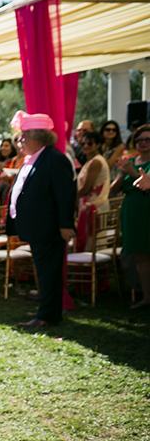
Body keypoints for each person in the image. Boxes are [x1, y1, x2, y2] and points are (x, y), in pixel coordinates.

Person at [5, 112, 77, 328]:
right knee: (44, 270)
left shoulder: (54, 159)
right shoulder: (33, 159)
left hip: (49, 226)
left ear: (38, 137)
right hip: (37, 226)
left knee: (49, 271)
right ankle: (47, 310)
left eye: (23, 136)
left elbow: (65, 194)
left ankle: (47, 315)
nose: (19, 141)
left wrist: (65, 224)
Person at [114, 124, 150, 310]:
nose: (143, 143)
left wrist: (132, 173)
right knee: (139, 255)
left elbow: (145, 184)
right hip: (132, 211)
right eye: (139, 140)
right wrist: (122, 174)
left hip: (147, 208)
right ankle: (145, 297)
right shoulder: (130, 161)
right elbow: (113, 190)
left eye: (147, 139)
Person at [74, 130, 112, 253]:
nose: (85, 146)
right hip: (90, 206)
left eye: (89, 143)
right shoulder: (91, 161)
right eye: (82, 144)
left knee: (93, 242)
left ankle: (93, 271)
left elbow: (86, 188)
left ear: (98, 145)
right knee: (90, 242)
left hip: (94, 207)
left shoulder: (96, 162)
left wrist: (73, 200)